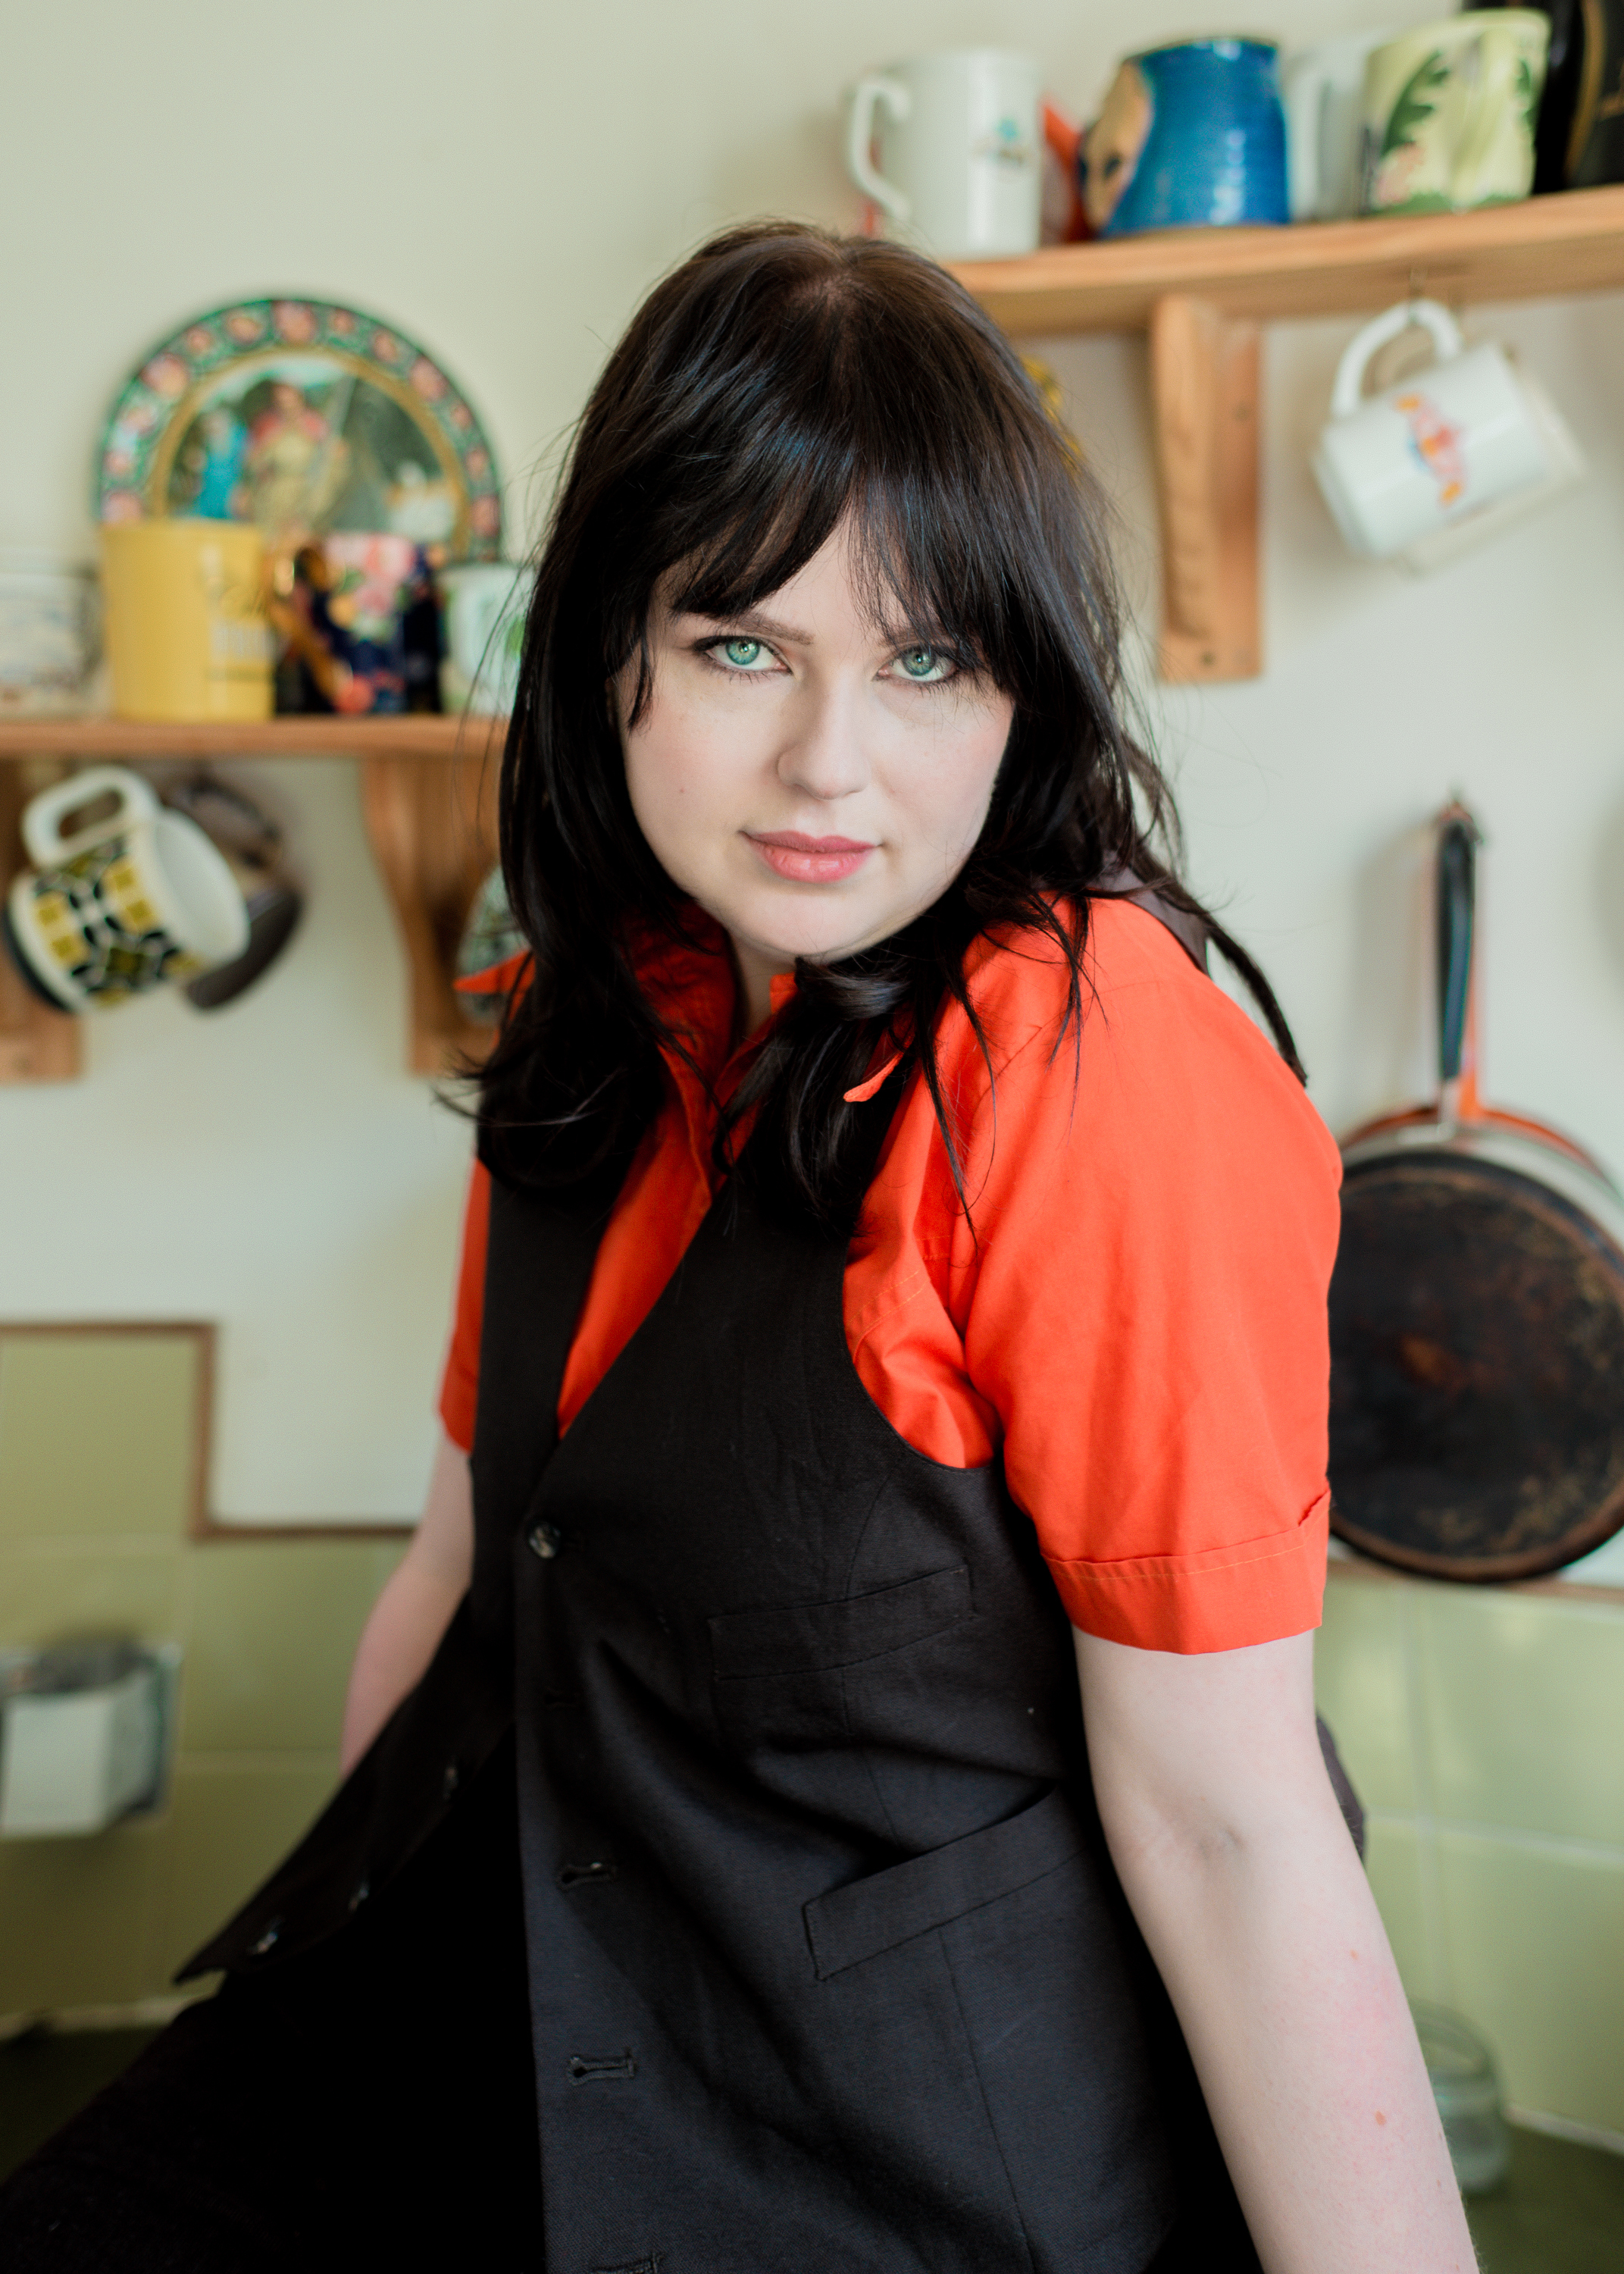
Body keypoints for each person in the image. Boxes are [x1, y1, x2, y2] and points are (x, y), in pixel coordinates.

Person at [0, 224, 1475, 2274]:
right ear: (610, 649)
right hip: (514, 2028)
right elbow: (462, 1573)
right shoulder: (599, 1011)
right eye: (743, 647)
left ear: (1024, 687)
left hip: (903, 2156)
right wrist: (344, 2014)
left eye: (928, 657)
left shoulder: (1083, 1058)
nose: (829, 769)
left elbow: (1231, 1823)